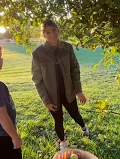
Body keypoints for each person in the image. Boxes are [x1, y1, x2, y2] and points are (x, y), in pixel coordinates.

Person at [31, 19, 90, 150]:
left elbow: (75, 69)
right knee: (58, 120)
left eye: (54, 30)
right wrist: (45, 101)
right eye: (47, 32)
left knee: (75, 114)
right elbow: (37, 80)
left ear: (59, 31)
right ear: (43, 34)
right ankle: (62, 142)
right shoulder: (38, 54)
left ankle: (84, 127)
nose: (52, 34)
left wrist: (78, 90)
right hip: (52, 97)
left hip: (68, 92)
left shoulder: (67, 48)